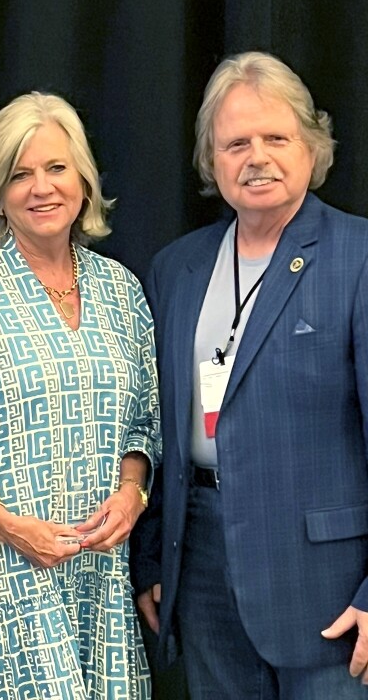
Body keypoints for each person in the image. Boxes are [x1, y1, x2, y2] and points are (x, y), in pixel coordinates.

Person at [0, 91, 161, 699]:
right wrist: (11, 527)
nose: (41, 188)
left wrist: (131, 491)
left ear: (84, 181)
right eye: (19, 174)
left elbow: (144, 424)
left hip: (94, 581)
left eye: (56, 168)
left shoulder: (121, 291)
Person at [133, 50, 368, 699]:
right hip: (202, 571)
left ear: (312, 146)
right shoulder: (176, 268)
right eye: (236, 143)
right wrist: (153, 559)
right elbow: (155, 426)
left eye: (275, 138)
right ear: (212, 160)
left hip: (328, 590)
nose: (256, 157)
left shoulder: (359, 258)